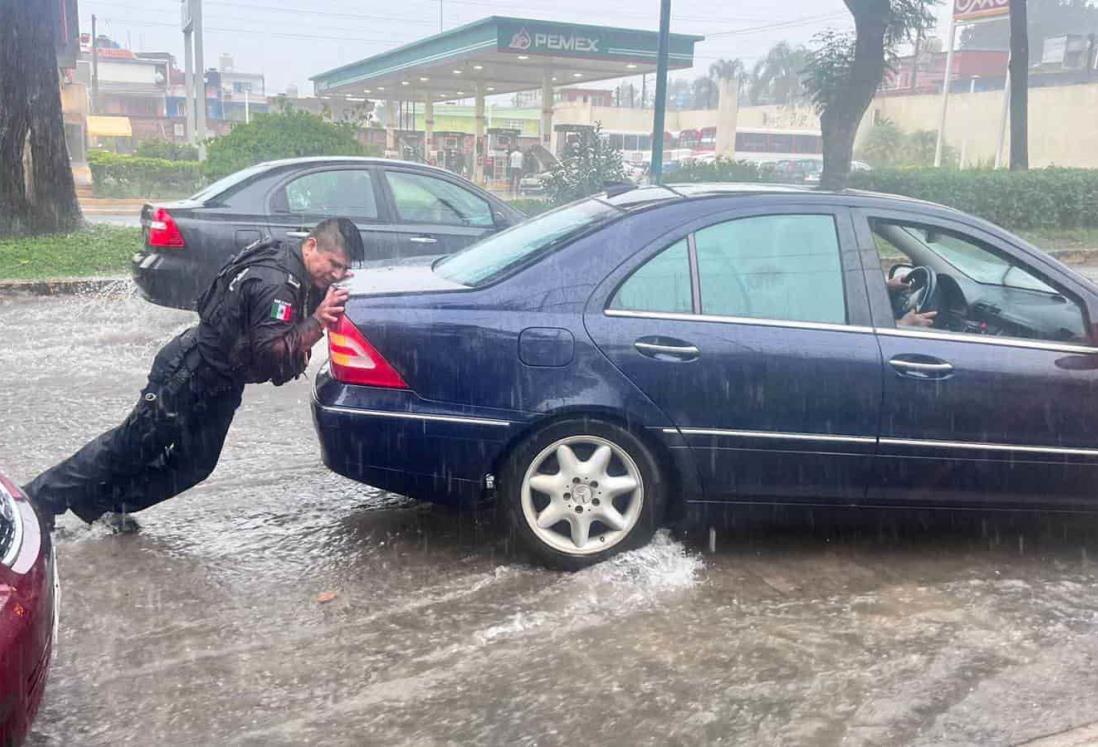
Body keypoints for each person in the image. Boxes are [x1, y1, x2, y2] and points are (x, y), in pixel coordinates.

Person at [24, 217, 360, 531]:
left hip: (222, 383)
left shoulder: (296, 266)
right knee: (127, 447)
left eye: (343, 269)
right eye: (333, 264)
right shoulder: (276, 281)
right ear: (312, 246)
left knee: (194, 464)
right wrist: (318, 322)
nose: (336, 274)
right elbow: (271, 351)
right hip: (186, 373)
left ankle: (102, 503)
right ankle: (37, 499)